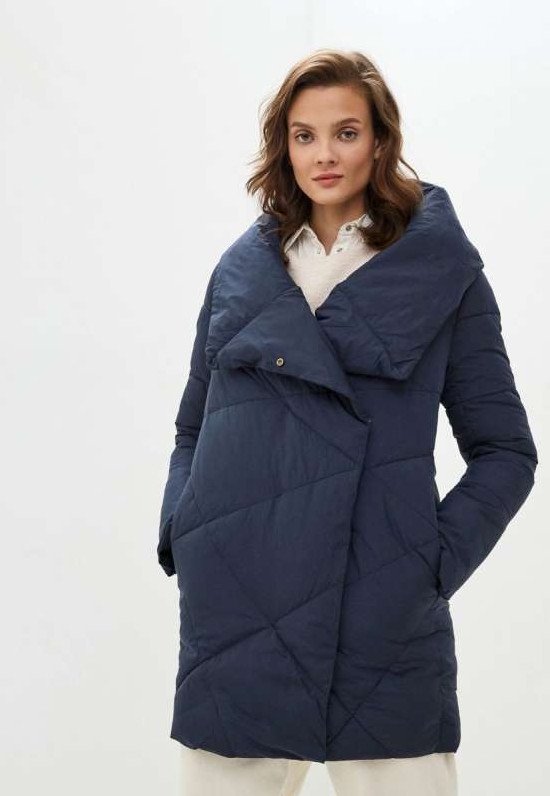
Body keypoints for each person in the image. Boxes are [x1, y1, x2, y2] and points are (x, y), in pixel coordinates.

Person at [157, 49, 538, 796]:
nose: (324, 155)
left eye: (346, 132)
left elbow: (505, 451)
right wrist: (186, 532)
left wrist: (424, 565)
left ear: (381, 140)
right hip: (237, 612)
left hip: (380, 625)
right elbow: (191, 429)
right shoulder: (240, 272)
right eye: (304, 135)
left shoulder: (444, 273)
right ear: (283, 146)